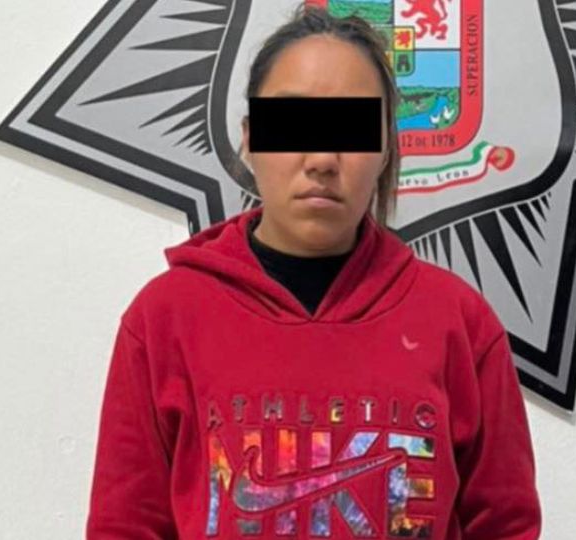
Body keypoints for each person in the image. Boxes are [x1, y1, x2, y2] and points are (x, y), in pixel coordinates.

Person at [86, 5, 541, 539]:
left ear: (386, 148)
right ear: (250, 138)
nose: (322, 157)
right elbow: (125, 525)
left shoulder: (458, 324)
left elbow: (506, 524)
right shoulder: (165, 319)